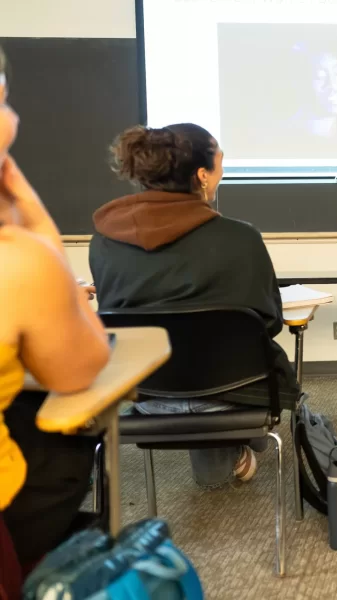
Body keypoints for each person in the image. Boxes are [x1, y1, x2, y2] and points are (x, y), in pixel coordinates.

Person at [89, 123, 301, 489]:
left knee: (195, 358)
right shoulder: (240, 237)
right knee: (234, 365)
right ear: (202, 176)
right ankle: (239, 446)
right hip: (231, 390)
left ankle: (232, 452)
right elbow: (268, 323)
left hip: (147, 392)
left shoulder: (105, 241)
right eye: (220, 164)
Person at [0, 44, 111, 589]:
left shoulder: (113, 236)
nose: (13, 121)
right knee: (67, 441)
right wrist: (42, 238)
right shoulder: (17, 262)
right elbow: (78, 372)